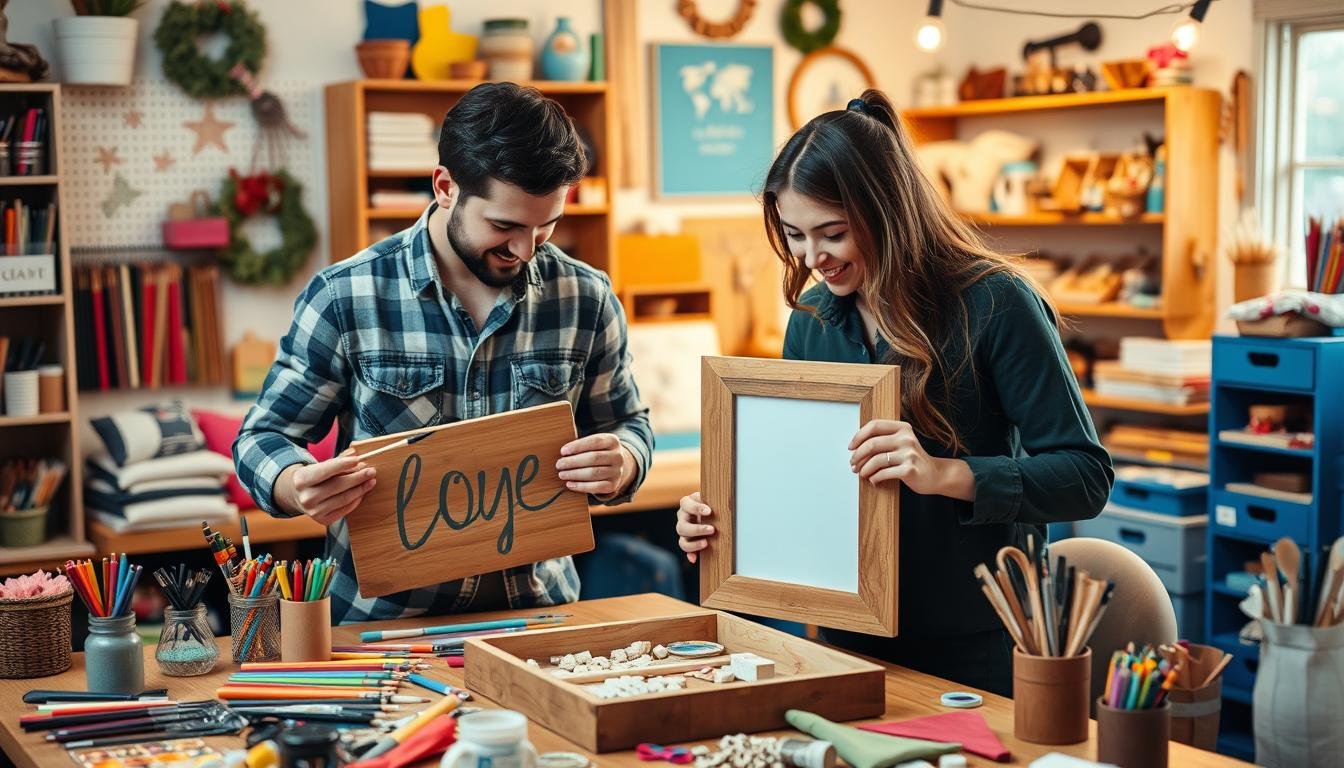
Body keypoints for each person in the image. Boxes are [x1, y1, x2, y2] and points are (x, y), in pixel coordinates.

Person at [675, 90, 1113, 696]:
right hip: (847, 632)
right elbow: (805, 478)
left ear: (887, 212)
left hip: (974, 637)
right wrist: (727, 517)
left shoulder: (996, 302)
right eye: (795, 235)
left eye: (831, 233)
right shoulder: (814, 319)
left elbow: (1085, 477)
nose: (812, 258)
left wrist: (946, 474)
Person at [235, 82, 653, 624]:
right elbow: (262, 438)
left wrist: (622, 462)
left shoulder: (586, 297)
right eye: (504, 226)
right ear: (446, 187)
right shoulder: (345, 296)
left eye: (545, 227)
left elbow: (628, 425)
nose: (524, 250)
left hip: (536, 620)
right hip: (381, 628)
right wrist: (293, 484)